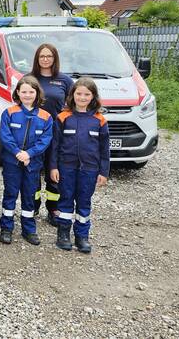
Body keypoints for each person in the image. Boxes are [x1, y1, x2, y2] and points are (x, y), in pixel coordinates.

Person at [50, 78, 110, 253]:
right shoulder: (63, 117)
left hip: (90, 169)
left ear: (93, 97)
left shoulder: (100, 120)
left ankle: (82, 237)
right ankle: (63, 235)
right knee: (66, 199)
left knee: (84, 202)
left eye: (87, 94)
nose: (82, 97)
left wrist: (103, 172)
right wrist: (53, 167)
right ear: (72, 95)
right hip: (66, 168)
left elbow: (104, 149)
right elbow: (55, 145)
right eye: (79, 94)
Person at [0, 75, 54, 246]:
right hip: (12, 163)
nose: (28, 95)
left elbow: (45, 139)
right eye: (24, 91)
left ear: (37, 93)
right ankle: (6, 227)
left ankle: (28, 229)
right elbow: (5, 136)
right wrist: (17, 153)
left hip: (33, 164)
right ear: (18, 93)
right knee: (10, 194)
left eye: (31, 91)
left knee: (29, 196)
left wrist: (29, 154)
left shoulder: (45, 117)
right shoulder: (9, 113)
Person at [28, 43, 74, 226]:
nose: (45, 59)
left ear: (55, 59)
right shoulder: (30, 78)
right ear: (37, 59)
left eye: (49, 56)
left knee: (54, 171)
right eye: (42, 56)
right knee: (33, 172)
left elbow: (74, 103)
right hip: (32, 133)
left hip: (56, 133)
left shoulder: (64, 81)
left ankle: (53, 208)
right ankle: (33, 205)